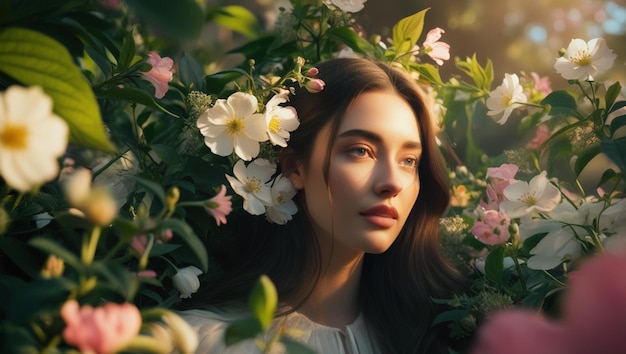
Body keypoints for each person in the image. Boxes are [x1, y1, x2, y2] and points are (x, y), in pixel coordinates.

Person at [180, 57, 465, 353]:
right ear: (295, 168)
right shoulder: (197, 342)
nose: (392, 183)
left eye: (408, 161)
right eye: (360, 151)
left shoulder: (443, 335)